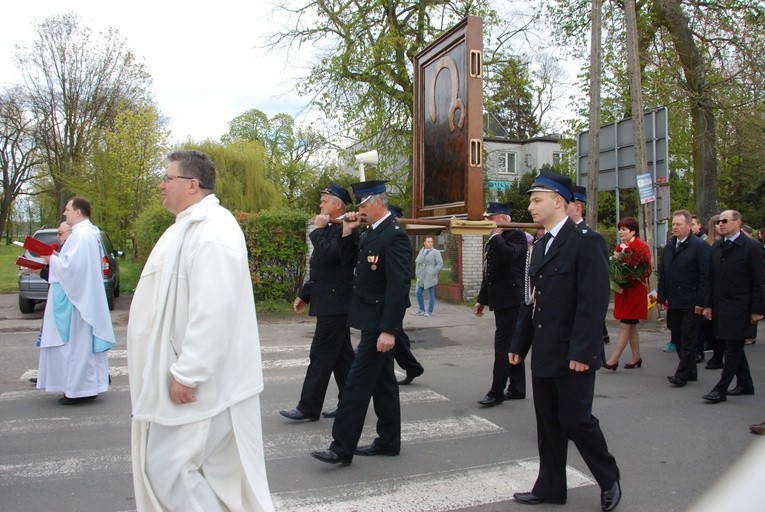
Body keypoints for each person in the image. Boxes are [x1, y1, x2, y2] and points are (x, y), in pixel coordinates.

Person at [127, 150, 274, 511]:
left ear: (193, 184)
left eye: (168, 178)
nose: (161, 185)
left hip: (198, 386)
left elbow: (214, 309)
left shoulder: (212, 231)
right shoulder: (189, 226)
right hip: (194, 379)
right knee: (214, 475)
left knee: (168, 469)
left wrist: (188, 373)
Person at [509, 170, 621, 511]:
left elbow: (593, 301)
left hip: (574, 352)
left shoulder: (587, 241)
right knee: (548, 424)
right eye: (531, 199)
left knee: (577, 420)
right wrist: (518, 344)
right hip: (545, 350)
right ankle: (551, 487)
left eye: (536, 199)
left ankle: (609, 478)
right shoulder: (541, 244)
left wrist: (584, 351)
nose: (530, 206)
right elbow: (534, 301)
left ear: (558, 201)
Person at [310, 180, 412, 465]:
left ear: (378, 203)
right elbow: (348, 262)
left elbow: (398, 286)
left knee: (355, 385)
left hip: (380, 324)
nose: (361, 210)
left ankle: (341, 447)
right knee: (384, 384)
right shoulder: (371, 233)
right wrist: (346, 232)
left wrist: (389, 330)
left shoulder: (394, 235)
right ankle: (389, 441)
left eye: (364, 204)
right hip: (370, 320)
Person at [279, 183, 356, 422]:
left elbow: (331, 255)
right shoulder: (332, 227)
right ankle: (350, 403)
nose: (320, 205)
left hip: (336, 304)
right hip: (329, 302)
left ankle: (308, 407)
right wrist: (305, 294)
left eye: (324, 201)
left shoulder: (348, 228)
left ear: (337, 205)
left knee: (321, 355)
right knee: (343, 359)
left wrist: (317, 230)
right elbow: (321, 269)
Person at [36, 197, 115, 405]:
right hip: (81, 298)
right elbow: (73, 263)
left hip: (78, 303)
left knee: (77, 348)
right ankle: (84, 387)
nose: (65, 213)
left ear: (78, 212)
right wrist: (56, 257)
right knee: (80, 348)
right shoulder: (86, 233)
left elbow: (72, 269)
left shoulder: (81, 236)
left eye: (68, 209)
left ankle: (81, 389)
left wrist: (51, 259)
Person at [701, 210, 765, 404]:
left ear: (738, 222)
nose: (721, 224)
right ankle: (746, 384)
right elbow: (710, 278)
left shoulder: (751, 247)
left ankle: (720, 389)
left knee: (733, 347)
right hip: (721, 306)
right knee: (732, 344)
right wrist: (707, 305)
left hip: (740, 306)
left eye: (725, 221)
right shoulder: (718, 246)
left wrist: (758, 309)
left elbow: (759, 281)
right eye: (719, 221)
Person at [473, 202, 527, 407]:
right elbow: (489, 274)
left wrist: (495, 236)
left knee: (503, 347)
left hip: (513, 300)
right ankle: (517, 387)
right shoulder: (494, 240)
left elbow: (507, 256)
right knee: (512, 345)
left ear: (503, 218)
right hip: (501, 301)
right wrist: (481, 300)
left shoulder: (516, 236)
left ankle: (496, 392)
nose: (488, 221)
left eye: (491, 217)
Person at [658, 210, 711, 387]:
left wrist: (701, 302)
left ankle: (681, 375)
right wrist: (661, 297)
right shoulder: (670, 246)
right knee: (678, 337)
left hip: (691, 300)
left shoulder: (699, 246)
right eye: (673, 224)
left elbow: (705, 275)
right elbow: (664, 274)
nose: (675, 227)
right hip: (674, 301)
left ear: (689, 226)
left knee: (688, 339)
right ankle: (691, 371)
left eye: (679, 224)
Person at [603, 216, 651, 371]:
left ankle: (614, 359)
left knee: (626, 324)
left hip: (635, 291)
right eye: (620, 229)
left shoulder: (641, 246)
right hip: (623, 290)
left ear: (633, 231)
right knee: (632, 326)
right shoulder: (620, 247)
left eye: (624, 229)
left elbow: (646, 270)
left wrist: (629, 275)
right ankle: (636, 357)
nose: (620, 232)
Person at [29, 222, 73, 385]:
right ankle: (46, 372)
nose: (57, 236)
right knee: (47, 340)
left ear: (70, 232)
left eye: (60, 233)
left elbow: (66, 274)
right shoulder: (64, 248)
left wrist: (43, 268)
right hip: (55, 297)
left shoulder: (73, 247)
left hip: (66, 301)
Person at [568, 185, 611, 346]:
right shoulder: (560, 236)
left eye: (567, 203)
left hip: (581, 333)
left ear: (578, 208)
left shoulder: (591, 239)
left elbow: (596, 294)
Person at [388, 204, 425, 386]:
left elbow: (400, 275)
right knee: (397, 334)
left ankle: (412, 366)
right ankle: (412, 367)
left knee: (392, 333)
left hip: (394, 297)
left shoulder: (398, 238)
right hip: (385, 297)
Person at [413, 236, 443, 317]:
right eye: (428, 241)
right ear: (424, 243)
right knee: (418, 292)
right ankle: (421, 310)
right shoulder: (421, 251)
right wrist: (417, 272)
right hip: (421, 275)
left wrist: (434, 271)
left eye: (431, 241)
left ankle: (429, 311)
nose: (430, 243)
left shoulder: (436, 252)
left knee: (431, 293)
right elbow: (417, 262)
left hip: (430, 275)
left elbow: (440, 263)